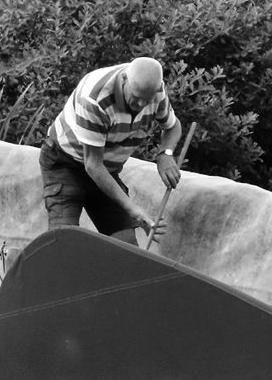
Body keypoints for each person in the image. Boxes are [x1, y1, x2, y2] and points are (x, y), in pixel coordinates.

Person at [40, 57, 182, 245]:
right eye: (136, 96)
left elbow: (172, 126)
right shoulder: (95, 98)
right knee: (64, 242)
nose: (140, 104)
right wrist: (133, 209)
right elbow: (93, 165)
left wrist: (165, 154)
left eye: (145, 100)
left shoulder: (155, 91)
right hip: (66, 164)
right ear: (124, 79)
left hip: (105, 170)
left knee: (126, 246)